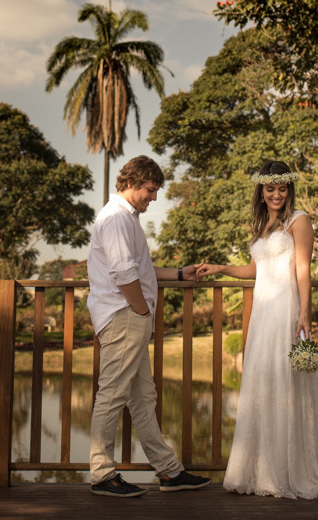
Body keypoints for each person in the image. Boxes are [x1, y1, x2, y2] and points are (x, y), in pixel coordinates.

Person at [196, 160, 318, 501]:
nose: (276, 194)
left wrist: (304, 312)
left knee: (287, 385)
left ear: (289, 189)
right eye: (270, 189)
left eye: (281, 188)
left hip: (285, 308)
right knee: (263, 383)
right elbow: (255, 269)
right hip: (262, 314)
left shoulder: (299, 220)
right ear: (261, 191)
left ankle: (290, 471)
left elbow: (302, 268)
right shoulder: (261, 225)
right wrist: (220, 267)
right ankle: (261, 471)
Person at [87, 155, 211, 498]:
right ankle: (101, 474)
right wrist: (142, 312)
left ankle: (169, 471)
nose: (154, 197)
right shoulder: (115, 219)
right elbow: (124, 275)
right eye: (150, 190)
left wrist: (181, 274)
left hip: (130, 316)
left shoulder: (126, 219)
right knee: (112, 394)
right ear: (131, 183)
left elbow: (141, 270)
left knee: (143, 398)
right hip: (125, 316)